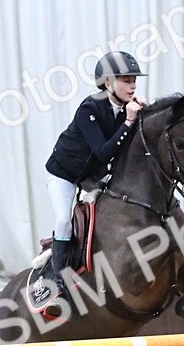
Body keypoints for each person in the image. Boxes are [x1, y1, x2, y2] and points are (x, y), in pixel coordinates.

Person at [42, 50, 149, 300]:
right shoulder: (89, 108)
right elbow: (102, 152)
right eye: (126, 80)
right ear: (108, 83)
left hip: (93, 177)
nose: (132, 86)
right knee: (63, 221)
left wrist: (143, 118)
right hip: (65, 176)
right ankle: (57, 284)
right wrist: (129, 123)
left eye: (134, 80)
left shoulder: (127, 110)